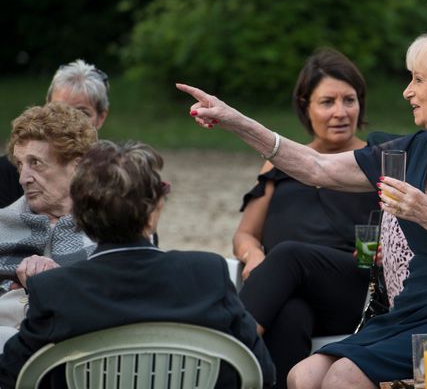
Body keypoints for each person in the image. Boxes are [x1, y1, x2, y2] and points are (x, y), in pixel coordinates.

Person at [177, 21, 427, 387]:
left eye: (417, 80)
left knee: (343, 377)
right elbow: (315, 166)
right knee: (303, 375)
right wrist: (235, 121)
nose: (406, 92)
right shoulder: (415, 148)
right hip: (414, 314)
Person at [0, 140, 276, 389]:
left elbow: (13, 374)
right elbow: (261, 372)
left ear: (80, 219)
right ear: (154, 213)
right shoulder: (208, 274)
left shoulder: (53, 290)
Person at [233, 49, 379, 388]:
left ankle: (226, 354)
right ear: (305, 106)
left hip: (353, 289)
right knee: (289, 315)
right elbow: (245, 234)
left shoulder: (375, 161)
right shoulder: (278, 164)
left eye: (350, 100)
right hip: (286, 290)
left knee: (288, 254)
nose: (341, 112)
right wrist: (253, 255)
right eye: (327, 102)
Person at [0, 103, 97, 345]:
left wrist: (59, 282)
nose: (23, 178)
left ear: (77, 165)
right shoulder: (3, 223)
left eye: (36, 163)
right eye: (20, 164)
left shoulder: (113, 227)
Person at [0, 59, 109, 208]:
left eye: (82, 113)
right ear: (46, 107)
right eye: (59, 109)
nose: (70, 121)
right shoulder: (8, 172)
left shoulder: (115, 175)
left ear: (101, 118)